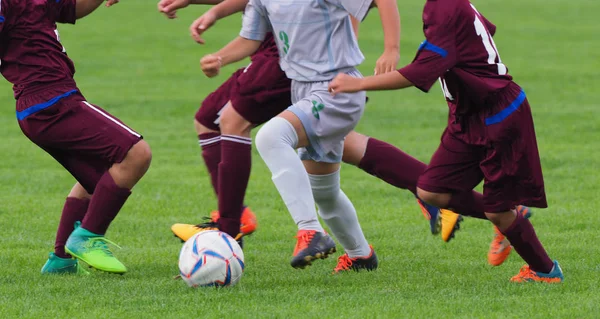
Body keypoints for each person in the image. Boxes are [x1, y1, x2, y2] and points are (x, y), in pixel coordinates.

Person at [158, 0, 464, 262]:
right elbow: (250, 36)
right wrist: (220, 56)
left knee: (265, 134)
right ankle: (363, 254)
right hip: (303, 87)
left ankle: (290, 230)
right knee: (325, 189)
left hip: (335, 88)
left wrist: (391, 49)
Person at [328, 0, 563, 282]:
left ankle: (546, 270)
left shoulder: (444, 8)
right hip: (467, 116)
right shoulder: (446, 5)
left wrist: (358, 83)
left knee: (498, 211)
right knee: (431, 191)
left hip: (498, 117)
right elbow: (484, 29)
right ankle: (510, 219)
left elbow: (420, 71)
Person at [0, 0, 152, 275]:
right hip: (51, 102)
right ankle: (88, 236)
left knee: (102, 174)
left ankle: (60, 260)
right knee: (136, 154)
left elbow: (71, 8)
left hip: (44, 105)